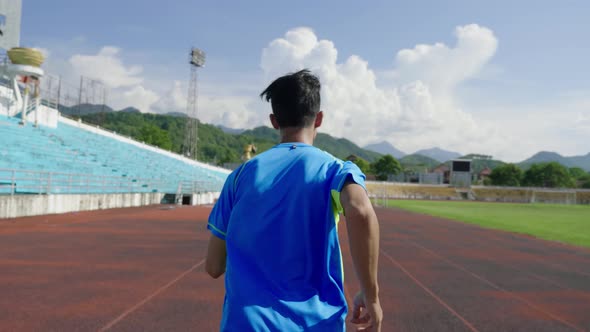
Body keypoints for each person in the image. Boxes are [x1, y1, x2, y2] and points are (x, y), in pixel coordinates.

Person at [206, 69, 382, 331]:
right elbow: (359, 209)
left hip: (246, 323)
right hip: (317, 323)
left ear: (274, 121)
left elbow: (213, 266)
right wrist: (371, 295)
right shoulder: (335, 170)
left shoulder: (239, 176)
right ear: (319, 118)